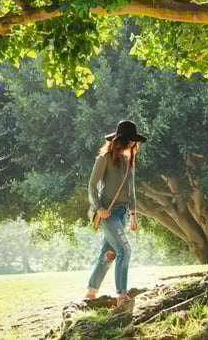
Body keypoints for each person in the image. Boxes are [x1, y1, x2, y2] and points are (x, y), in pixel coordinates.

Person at [85, 120, 147, 310]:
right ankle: (121, 293)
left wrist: (134, 214)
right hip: (107, 212)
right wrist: (98, 208)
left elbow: (132, 191)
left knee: (109, 254)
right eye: (131, 140)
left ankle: (90, 292)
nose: (133, 144)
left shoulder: (129, 162)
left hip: (122, 213)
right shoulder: (104, 158)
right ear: (122, 139)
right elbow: (92, 185)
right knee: (125, 250)